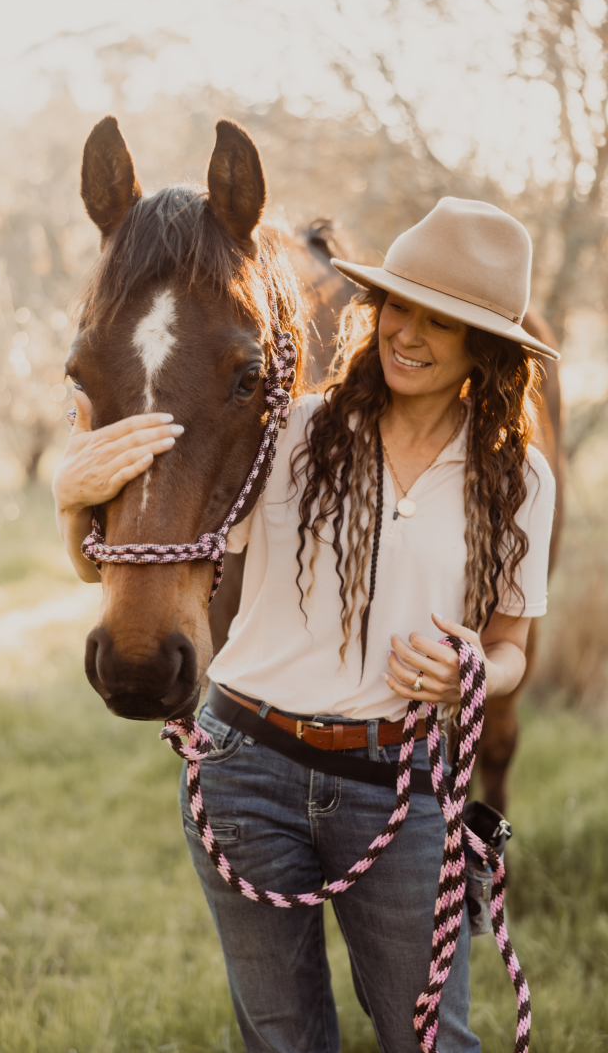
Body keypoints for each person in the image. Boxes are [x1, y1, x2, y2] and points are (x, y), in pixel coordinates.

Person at [54, 198, 558, 1052]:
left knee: (433, 1038)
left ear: (487, 348)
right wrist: (72, 504)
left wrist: (476, 666)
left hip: (398, 781)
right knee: (283, 1040)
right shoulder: (290, 433)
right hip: (244, 771)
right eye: (401, 306)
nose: (408, 334)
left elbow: (510, 646)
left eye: (442, 322)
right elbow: (153, 549)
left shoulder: (519, 481)